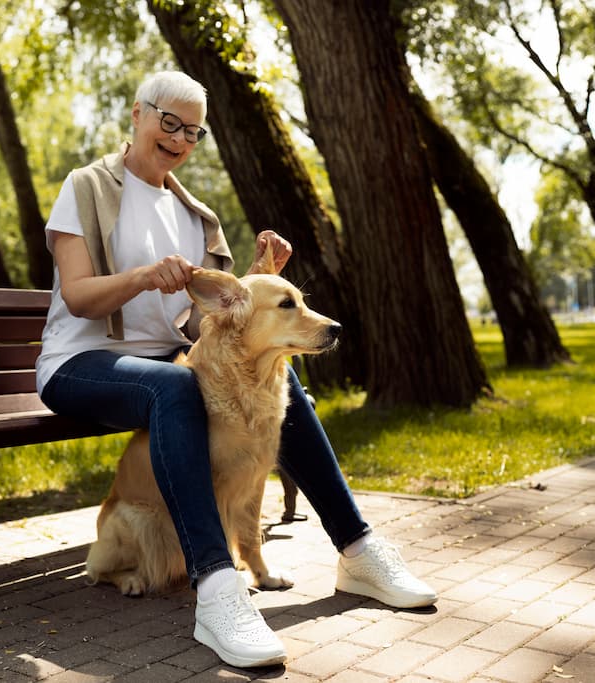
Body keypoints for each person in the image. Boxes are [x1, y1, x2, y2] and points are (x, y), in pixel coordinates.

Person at [36, 70, 437, 669]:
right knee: (173, 384)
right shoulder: (88, 186)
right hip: (81, 363)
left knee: (277, 372)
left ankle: (356, 546)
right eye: (167, 121)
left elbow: (209, 328)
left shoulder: (196, 216)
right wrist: (145, 276)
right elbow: (79, 297)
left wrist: (250, 282)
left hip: (164, 364)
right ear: (137, 115)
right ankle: (217, 588)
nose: (177, 138)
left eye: (192, 130)